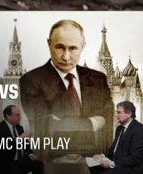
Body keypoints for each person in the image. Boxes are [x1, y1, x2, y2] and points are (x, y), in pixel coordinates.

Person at [20, 20, 115, 152]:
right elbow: (45, 125)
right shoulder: (31, 80)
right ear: (49, 44)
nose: (66, 57)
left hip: (96, 161)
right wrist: (93, 122)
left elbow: (108, 119)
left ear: (82, 46)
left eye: (73, 48)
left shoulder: (98, 79)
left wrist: (63, 122)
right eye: (60, 47)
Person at [0, 104, 43, 174]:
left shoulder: (19, 128)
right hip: (9, 162)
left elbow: (26, 144)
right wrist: (19, 139)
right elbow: (2, 146)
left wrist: (30, 154)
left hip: (22, 160)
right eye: (17, 115)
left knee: (38, 164)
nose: (20, 117)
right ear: (8, 116)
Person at [93, 102, 143, 173]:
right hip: (116, 164)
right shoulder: (119, 128)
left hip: (130, 169)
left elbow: (135, 158)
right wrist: (102, 155)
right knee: (91, 169)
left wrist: (111, 164)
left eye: (119, 112)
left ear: (129, 114)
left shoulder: (139, 129)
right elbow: (114, 147)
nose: (116, 116)